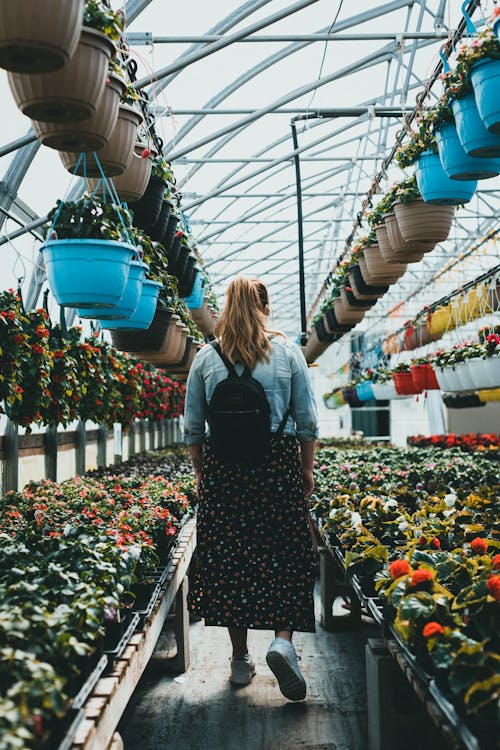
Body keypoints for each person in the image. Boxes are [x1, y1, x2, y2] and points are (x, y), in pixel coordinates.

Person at [183, 277, 319, 702]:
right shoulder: (286, 352)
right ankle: (282, 640)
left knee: (230, 559)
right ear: (265, 306)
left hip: (226, 473)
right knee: (286, 554)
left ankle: (241, 659)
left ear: (225, 306)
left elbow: (192, 427)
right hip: (277, 468)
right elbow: (307, 421)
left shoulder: (207, 357)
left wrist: (203, 473)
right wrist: (306, 470)